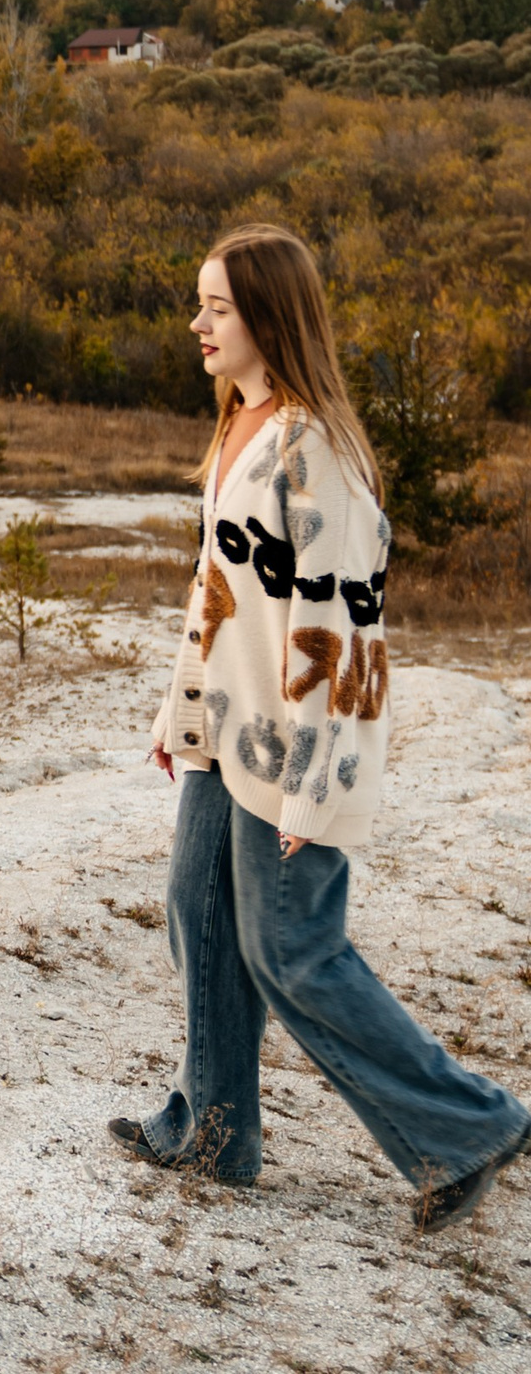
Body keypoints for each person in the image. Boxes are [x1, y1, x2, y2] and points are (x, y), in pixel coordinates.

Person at [116, 224, 527, 1231]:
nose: (197, 324)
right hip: (228, 731)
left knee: (291, 950)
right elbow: (211, 592)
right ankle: (212, 1134)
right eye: (200, 304)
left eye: (216, 307)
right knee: (198, 917)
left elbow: (345, 639)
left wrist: (316, 788)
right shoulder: (236, 428)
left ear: (270, 317)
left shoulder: (318, 453)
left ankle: (467, 1126)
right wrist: (183, 713)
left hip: (295, 750)